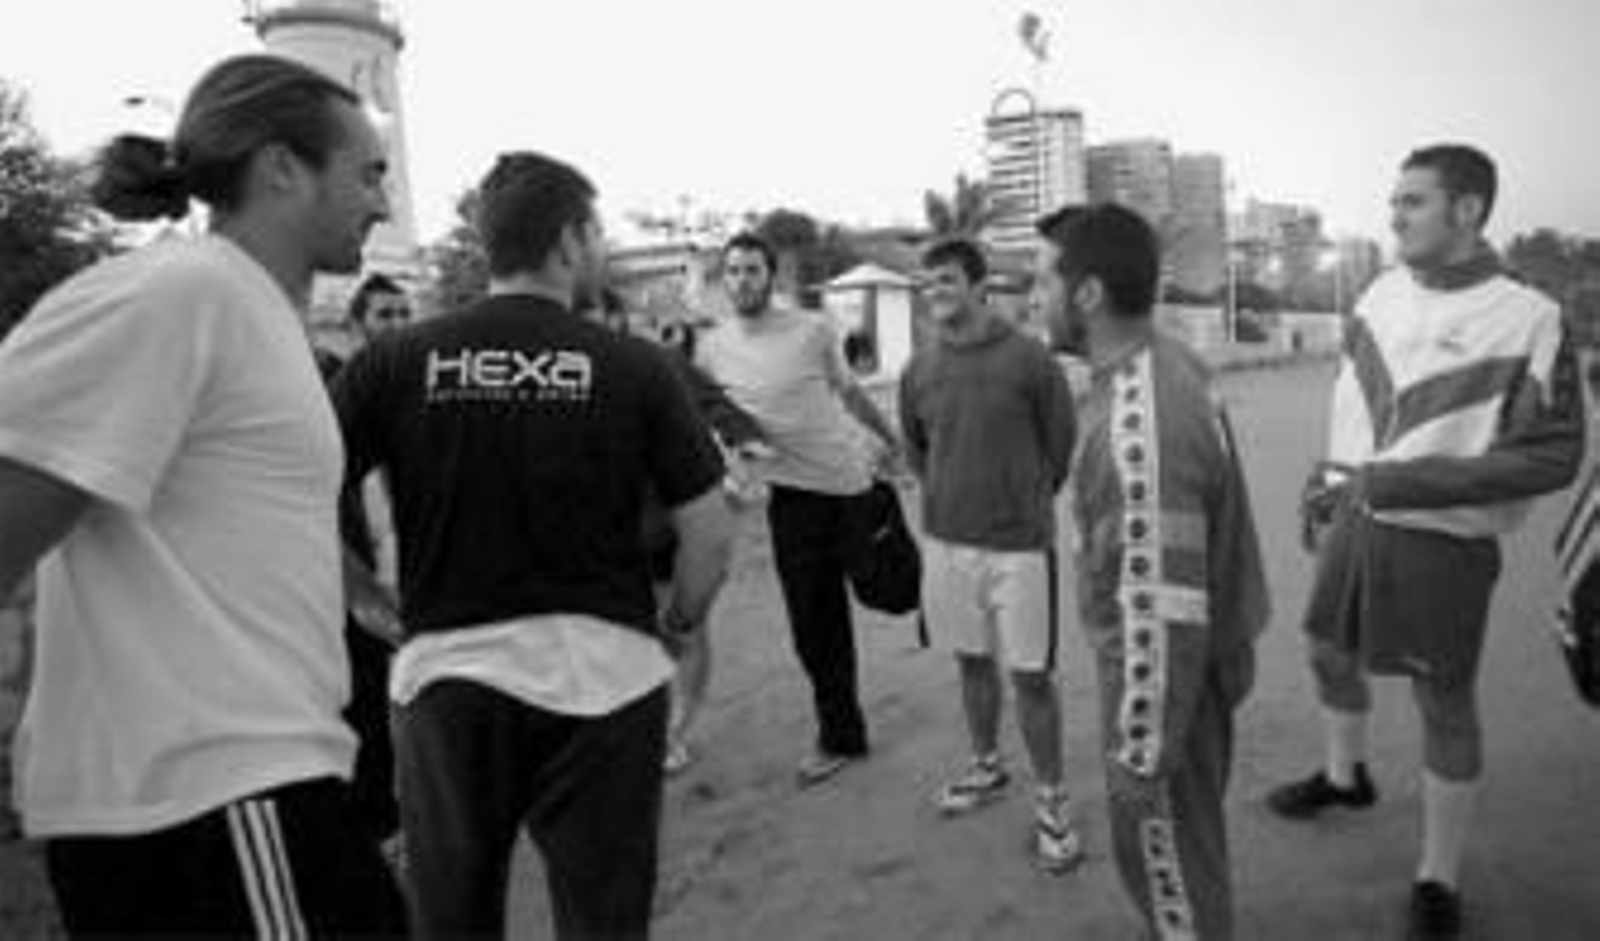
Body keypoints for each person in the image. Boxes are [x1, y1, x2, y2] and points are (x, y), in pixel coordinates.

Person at [0, 54, 405, 937]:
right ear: (281, 167)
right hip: (211, 800)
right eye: (368, 173)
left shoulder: (251, 312)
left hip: (258, 791)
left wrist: (369, 598)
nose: (383, 202)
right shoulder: (178, 293)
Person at [331, 151, 734, 939]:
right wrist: (679, 625)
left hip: (446, 683)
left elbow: (294, 493)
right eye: (597, 231)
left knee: (453, 918)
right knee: (602, 920)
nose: (601, 248)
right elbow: (710, 536)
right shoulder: (638, 366)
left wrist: (370, 605)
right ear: (570, 239)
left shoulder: (395, 359)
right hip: (607, 681)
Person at [1264, 144, 1585, 940]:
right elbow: (1354, 407)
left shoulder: (1532, 317)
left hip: (1444, 543)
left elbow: (1555, 454)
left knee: (1445, 699)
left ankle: (1437, 874)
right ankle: (1347, 777)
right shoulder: (1375, 294)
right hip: (1354, 518)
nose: (1394, 214)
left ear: (1468, 210)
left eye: (1413, 201)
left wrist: (1410, 481)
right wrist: (1327, 480)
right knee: (1325, 650)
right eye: (1394, 199)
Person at [1035, 203, 1270, 939]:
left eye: (1042, 280)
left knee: (1167, 858)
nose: (1030, 299)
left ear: (1088, 294)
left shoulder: (1141, 424)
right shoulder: (1162, 361)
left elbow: (1163, 610)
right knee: (1189, 845)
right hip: (1203, 659)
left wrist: (1143, 751)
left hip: (1171, 683)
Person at [898, 238, 1083, 872]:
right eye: (928, 284)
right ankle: (986, 767)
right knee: (972, 663)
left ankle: (1054, 799)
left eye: (947, 280)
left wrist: (1020, 499)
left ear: (981, 287)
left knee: (1031, 677)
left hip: (1020, 549)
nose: (935, 293)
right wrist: (952, 498)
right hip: (947, 544)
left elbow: (1059, 449)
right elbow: (918, 450)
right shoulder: (917, 369)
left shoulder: (1031, 361)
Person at [696, 231, 901, 786]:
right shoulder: (711, 349)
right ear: (724, 280)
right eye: (733, 271)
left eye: (752, 270)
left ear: (772, 276)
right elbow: (710, 416)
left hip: (849, 484)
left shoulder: (811, 330)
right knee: (815, 624)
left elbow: (850, 392)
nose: (742, 280)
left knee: (887, 590)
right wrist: (728, 472)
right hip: (792, 501)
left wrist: (890, 438)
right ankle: (841, 734)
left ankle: (915, 580)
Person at [585, 290, 771, 775]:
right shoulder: (557, 375)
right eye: (580, 321)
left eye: (600, 319)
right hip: (601, 533)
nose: (592, 333)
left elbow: (714, 403)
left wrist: (745, 440)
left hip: (667, 522)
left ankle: (676, 728)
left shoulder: (657, 362)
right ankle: (635, 727)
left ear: (617, 320)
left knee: (686, 627)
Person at [313, 272, 413, 858]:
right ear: (357, 326)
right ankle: (377, 827)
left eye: (405, 313)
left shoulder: (421, 391)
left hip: (406, 563)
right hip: (346, 576)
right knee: (360, 702)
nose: (398, 325)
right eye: (384, 315)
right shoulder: (333, 391)